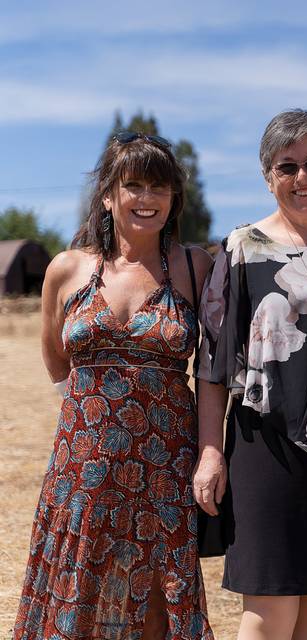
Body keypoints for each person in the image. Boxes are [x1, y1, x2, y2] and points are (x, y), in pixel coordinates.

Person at [14, 132, 214, 639]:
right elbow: (55, 356)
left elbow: (215, 366)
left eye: (160, 188)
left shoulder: (196, 267)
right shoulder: (67, 268)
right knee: (81, 584)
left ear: (174, 200)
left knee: (152, 600)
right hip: (85, 463)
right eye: (134, 185)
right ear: (108, 195)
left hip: (165, 461)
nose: (147, 199)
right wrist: (93, 418)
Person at [192, 109, 307, 640]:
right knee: (270, 613)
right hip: (264, 449)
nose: (303, 178)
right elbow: (212, 365)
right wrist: (209, 452)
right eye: (286, 167)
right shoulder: (241, 249)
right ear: (268, 176)